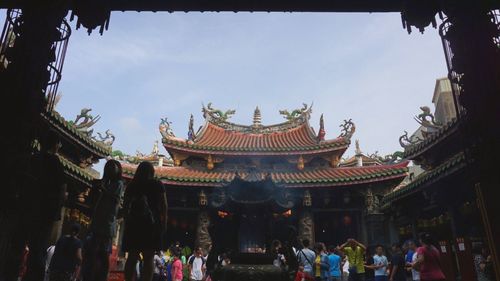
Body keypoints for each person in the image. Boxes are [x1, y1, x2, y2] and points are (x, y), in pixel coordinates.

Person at [5, 132, 67, 281]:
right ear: (55, 145)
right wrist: (56, 211)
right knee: (37, 250)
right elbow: (62, 190)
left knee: (17, 246)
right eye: (59, 143)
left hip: (25, 208)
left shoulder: (31, 159)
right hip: (44, 213)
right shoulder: (55, 164)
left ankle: (9, 275)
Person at [122, 161, 168, 281]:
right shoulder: (157, 184)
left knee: (132, 257)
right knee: (149, 257)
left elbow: (125, 206)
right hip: (151, 225)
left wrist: (127, 221)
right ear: (152, 172)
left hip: (134, 224)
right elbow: (164, 206)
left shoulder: (132, 185)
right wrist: (164, 223)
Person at [82, 159, 124, 281]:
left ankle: (101, 275)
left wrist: (102, 188)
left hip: (107, 222)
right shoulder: (106, 183)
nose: (111, 170)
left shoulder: (118, 184)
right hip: (98, 220)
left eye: (113, 167)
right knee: (94, 251)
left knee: (103, 252)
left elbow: (114, 198)